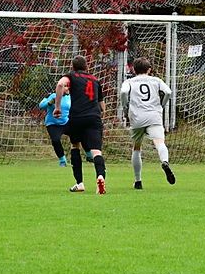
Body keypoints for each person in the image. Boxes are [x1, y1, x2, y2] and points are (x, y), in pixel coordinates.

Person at [118, 57, 175, 190]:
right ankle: (164, 161)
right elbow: (168, 92)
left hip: (137, 117)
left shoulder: (129, 81)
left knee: (136, 147)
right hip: (154, 116)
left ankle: (138, 180)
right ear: (149, 69)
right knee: (159, 142)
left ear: (134, 70)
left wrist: (125, 106)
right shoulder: (156, 80)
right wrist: (162, 105)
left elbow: (124, 92)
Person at [54, 56, 108, 194]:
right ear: (86, 66)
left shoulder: (71, 76)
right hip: (94, 118)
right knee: (96, 151)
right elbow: (102, 106)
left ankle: (79, 183)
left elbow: (60, 85)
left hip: (77, 117)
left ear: (73, 67)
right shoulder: (95, 80)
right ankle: (100, 177)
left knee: (75, 146)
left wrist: (57, 107)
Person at [39, 89, 71, 166]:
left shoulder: (70, 97)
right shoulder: (52, 95)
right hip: (53, 124)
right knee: (55, 140)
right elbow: (41, 105)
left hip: (66, 122)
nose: (68, 88)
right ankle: (62, 160)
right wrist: (49, 103)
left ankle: (89, 155)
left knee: (79, 135)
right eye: (65, 86)